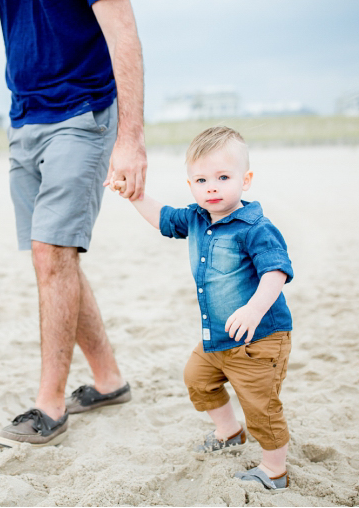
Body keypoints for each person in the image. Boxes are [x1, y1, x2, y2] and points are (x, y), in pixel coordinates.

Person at [0, 0, 147, 447]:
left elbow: (123, 33)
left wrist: (130, 139)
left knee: (51, 252)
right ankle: (109, 381)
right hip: (24, 119)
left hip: (85, 110)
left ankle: (50, 406)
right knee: (54, 257)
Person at [109, 126, 294, 490]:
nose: (212, 187)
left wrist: (255, 309)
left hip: (260, 338)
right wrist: (133, 195)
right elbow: (162, 218)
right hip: (218, 337)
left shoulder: (254, 226)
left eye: (223, 177)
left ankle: (275, 469)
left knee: (261, 406)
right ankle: (228, 431)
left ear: (246, 180)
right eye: (201, 179)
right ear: (191, 183)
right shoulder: (195, 218)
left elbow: (276, 270)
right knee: (197, 378)